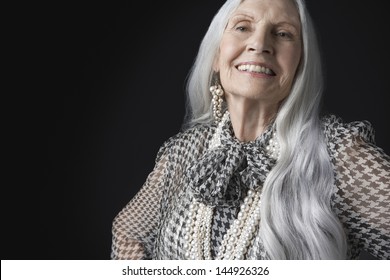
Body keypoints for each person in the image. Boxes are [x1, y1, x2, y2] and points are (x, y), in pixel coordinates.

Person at [110, 0, 390, 260]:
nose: (259, 44)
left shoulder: (334, 153)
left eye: (283, 34)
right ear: (217, 58)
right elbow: (128, 231)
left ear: (300, 64)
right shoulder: (185, 151)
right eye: (243, 27)